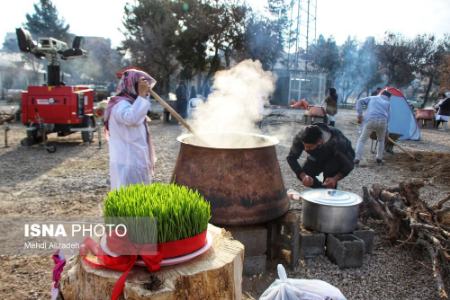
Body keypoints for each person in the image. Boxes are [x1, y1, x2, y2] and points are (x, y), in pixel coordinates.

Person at [104, 69, 157, 190]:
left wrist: (143, 97)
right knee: (128, 196)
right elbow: (132, 118)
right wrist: (142, 96)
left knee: (138, 197)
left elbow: (138, 113)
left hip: (134, 159)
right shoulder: (120, 104)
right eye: (142, 86)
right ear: (131, 85)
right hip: (128, 161)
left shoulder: (130, 103)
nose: (146, 90)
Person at [287, 123, 355, 189]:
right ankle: (322, 190)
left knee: (329, 173)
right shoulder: (301, 136)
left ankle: (329, 192)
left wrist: (335, 178)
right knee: (306, 173)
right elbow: (291, 157)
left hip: (337, 156)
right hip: (318, 153)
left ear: (319, 141)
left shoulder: (338, 142)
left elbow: (349, 164)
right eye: (304, 146)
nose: (305, 149)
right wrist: (303, 176)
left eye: (309, 147)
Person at [354, 90, 392, 166]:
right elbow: (389, 117)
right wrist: (387, 130)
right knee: (381, 140)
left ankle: (357, 159)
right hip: (383, 122)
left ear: (381, 94)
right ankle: (379, 159)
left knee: (362, 140)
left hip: (370, 120)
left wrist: (359, 114)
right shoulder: (388, 103)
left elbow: (359, 101)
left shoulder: (373, 98)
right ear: (388, 97)